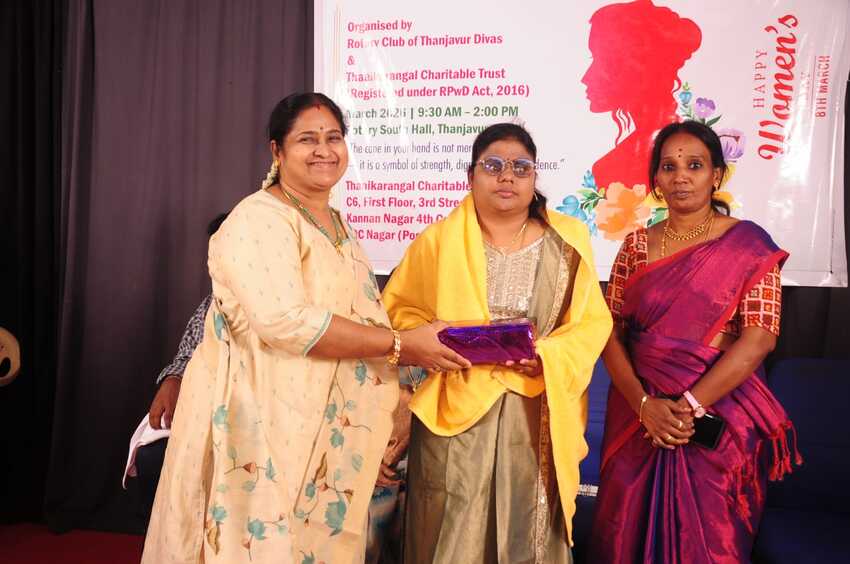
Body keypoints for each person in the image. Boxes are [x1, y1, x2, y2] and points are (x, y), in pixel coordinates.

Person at [142, 92, 468, 564]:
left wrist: (398, 392)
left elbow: (364, 319)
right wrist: (404, 346)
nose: (324, 150)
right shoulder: (257, 218)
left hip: (324, 426)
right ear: (276, 151)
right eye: (307, 139)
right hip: (257, 421)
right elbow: (285, 322)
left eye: (334, 138)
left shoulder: (337, 224)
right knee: (255, 543)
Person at [383, 123, 613, 563]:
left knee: (527, 526)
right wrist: (434, 340)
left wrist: (545, 356)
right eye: (493, 166)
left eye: (520, 168)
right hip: (455, 409)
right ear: (471, 176)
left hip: (533, 412)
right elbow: (398, 313)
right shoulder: (438, 241)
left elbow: (589, 325)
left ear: (534, 179)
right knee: (451, 525)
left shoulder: (568, 241)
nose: (507, 177)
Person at [588, 120, 801, 563]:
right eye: (669, 166)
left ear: (716, 175)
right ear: (657, 181)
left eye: (695, 165)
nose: (681, 175)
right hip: (637, 412)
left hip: (716, 415)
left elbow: (759, 338)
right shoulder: (636, 247)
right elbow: (608, 329)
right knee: (623, 528)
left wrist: (687, 408)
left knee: (708, 539)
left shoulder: (750, 246)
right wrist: (645, 406)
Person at [581, 0, 701, 190]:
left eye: (604, 61)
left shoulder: (611, 169)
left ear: (639, 68)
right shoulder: (608, 167)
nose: (586, 78)